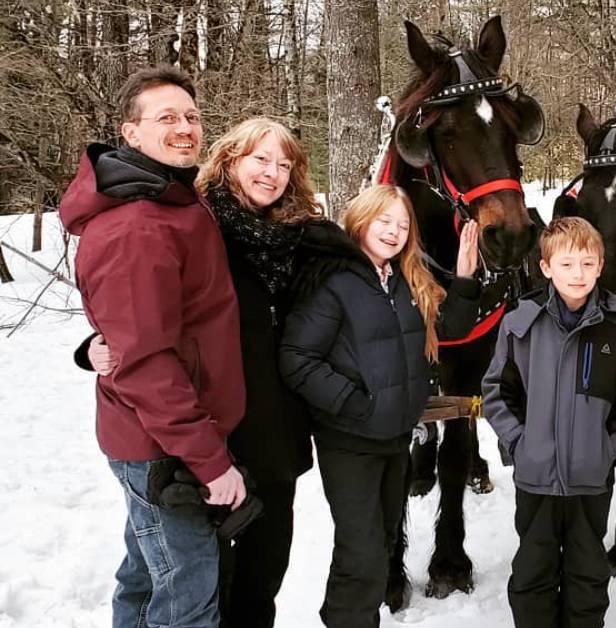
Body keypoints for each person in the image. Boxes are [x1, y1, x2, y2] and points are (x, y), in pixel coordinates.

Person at [79, 117, 351, 627]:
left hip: (276, 436)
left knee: (262, 576)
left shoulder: (307, 241)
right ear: (230, 159)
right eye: (260, 159)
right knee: (193, 583)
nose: (272, 173)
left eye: (283, 164)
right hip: (207, 438)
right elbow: (141, 309)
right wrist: (93, 345)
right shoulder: (197, 226)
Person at [60, 65, 245, 628]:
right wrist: (210, 463)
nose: (185, 127)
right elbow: (143, 362)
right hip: (163, 444)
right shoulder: (138, 225)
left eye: (191, 116)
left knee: (146, 577)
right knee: (186, 595)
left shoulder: (172, 200)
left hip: (162, 435)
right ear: (130, 132)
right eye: (166, 117)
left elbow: (140, 328)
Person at [278, 184, 481, 628]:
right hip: (349, 441)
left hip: (393, 439)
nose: (393, 231)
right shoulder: (333, 279)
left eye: (402, 224)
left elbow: (448, 330)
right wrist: (356, 404)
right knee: (362, 551)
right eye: (384, 220)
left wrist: (464, 279)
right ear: (361, 220)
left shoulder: (405, 280)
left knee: (382, 544)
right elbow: (297, 359)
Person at [482, 216, 616, 628]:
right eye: (567, 264)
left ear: (600, 265)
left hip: (590, 479)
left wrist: (608, 449)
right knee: (532, 573)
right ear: (546, 267)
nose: (578, 273)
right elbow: (497, 391)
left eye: (587, 263)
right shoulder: (521, 324)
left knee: (588, 574)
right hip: (536, 476)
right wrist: (520, 443)